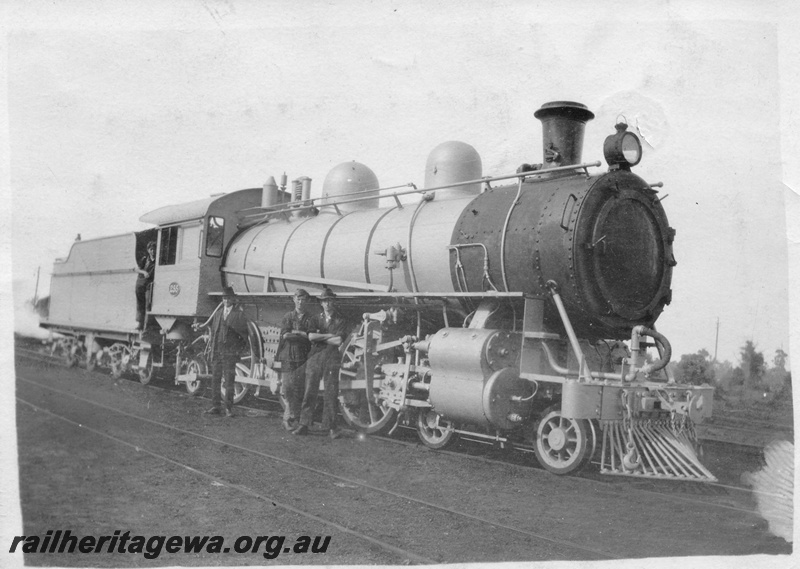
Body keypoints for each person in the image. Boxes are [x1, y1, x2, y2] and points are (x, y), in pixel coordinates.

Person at [292, 287, 349, 439]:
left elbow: (338, 340)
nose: (328, 304)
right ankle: (304, 424)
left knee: (331, 392)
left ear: (333, 302)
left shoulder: (341, 320)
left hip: (331, 357)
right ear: (321, 303)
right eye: (325, 301)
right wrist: (329, 335)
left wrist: (321, 336)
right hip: (315, 357)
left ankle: (331, 427)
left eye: (330, 301)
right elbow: (311, 337)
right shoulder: (315, 319)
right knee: (310, 390)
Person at [193, 286, 251, 418]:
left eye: (228, 298)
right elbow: (214, 333)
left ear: (233, 299)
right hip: (217, 352)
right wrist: (212, 350)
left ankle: (228, 408)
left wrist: (237, 351)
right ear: (222, 299)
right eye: (224, 298)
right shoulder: (218, 314)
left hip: (230, 354)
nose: (226, 301)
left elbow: (243, 337)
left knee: (229, 381)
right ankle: (215, 406)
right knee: (215, 379)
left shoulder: (239, 315)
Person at [276, 289, 318, 431]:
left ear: (307, 301)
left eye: (303, 300)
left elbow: (311, 336)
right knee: (287, 388)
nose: (301, 302)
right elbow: (285, 335)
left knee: (299, 389)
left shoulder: (310, 318)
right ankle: (288, 418)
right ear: (294, 300)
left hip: (302, 356)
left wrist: (296, 333)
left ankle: (292, 418)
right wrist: (302, 334)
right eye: (298, 299)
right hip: (288, 356)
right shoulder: (288, 316)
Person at [135, 241, 156, 329]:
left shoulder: (157, 261)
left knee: (148, 304)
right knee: (140, 305)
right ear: (148, 250)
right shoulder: (145, 259)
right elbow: (136, 269)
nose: (153, 251)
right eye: (151, 249)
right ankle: (140, 324)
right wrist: (144, 272)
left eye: (154, 249)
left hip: (149, 285)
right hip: (140, 284)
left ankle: (146, 325)